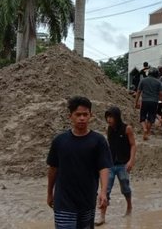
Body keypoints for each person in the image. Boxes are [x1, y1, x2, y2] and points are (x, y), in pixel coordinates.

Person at [46, 96, 113, 229]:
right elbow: (53, 169)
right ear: (70, 116)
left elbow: (104, 168)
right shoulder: (59, 141)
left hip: (87, 201)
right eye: (78, 114)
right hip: (63, 201)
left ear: (91, 115)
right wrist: (49, 193)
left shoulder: (98, 141)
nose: (82, 118)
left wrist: (103, 192)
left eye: (85, 114)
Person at [95, 107, 137, 226]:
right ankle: (102, 217)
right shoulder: (109, 129)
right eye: (107, 117)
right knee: (105, 190)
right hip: (110, 164)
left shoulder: (127, 129)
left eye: (111, 117)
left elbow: (133, 145)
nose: (109, 119)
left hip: (123, 164)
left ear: (117, 117)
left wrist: (131, 161)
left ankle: (129, 206)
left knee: (125, 187)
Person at [135, 67, 162, 141]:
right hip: (154, 102)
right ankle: (147, 133)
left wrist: (136, 102)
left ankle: (144, 128)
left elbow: (138, 92)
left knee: (142, 118)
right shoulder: (158, 82)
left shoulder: (143, 80)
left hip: (144, 101)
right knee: (151, 118)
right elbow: (161, 94)